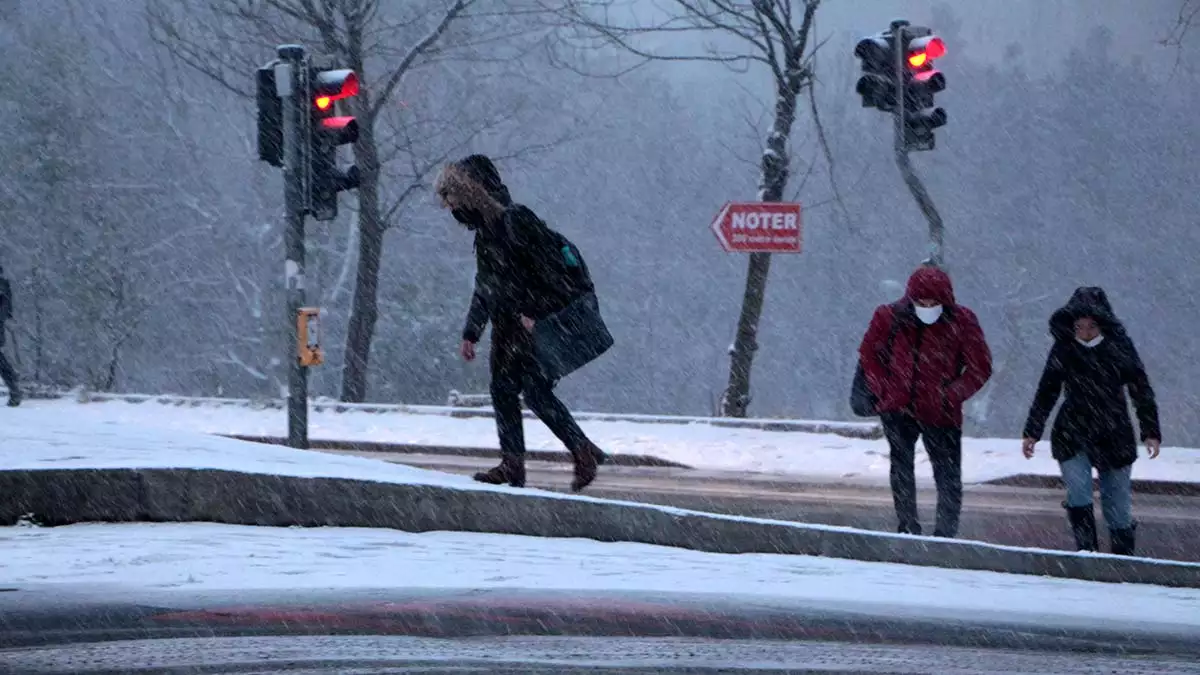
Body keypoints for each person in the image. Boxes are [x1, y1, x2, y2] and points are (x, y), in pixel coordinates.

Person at [435, 154, 606, 491]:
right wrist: (472, 331)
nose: (449, 207)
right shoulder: (485, 231)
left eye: (451, 197)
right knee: (505, 390)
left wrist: (536, 312)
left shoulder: (516, 221)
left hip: (528, 324)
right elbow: (485, 287)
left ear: (471, 192)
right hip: (506, 325)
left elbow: (552, 272)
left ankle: (577, 452)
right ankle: (520, 462)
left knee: (534, 391)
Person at [1021, 287, 1160, 556]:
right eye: (1079, 326)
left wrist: (1150, 431)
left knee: (1117, 506)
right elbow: (1047, 390)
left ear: (1102, 324)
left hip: (1115, 431)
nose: (1085, 332)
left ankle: (1123, 560)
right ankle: (1087, 553)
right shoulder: (1064, 348)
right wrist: (1032, 432)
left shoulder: (1119, 347)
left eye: (1091, 326)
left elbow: (1140, 390)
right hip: (1072, 431)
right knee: (1079, 493)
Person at [857, 264, 992, 538]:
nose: (928, 306)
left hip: (941, 412)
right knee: (902, 468)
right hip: (899, 408)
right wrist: (887, 390)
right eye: (922, 301)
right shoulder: (889, 317)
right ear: (911, 299)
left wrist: (949, 395)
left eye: (934, 301)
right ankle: (907, 527)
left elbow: (980, 366)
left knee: (948, 476)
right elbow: (869, 356)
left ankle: (945, 534)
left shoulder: (962, 322)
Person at [0, 265, 20, 407]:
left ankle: (14, 385)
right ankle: (13, 385)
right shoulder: (3, 285)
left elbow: (5, 308)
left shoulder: (2, 285)